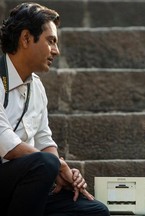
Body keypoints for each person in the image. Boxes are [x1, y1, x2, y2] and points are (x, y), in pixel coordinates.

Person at [0, 2, 109, 216]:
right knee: (46, 164)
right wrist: (57, 166)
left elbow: (44, 140)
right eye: (51, 41)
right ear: (26, 38)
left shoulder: (37, 86)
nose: (56, 51)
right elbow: (5, 142)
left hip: (26, 187)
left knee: (96, 211)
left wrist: (62, 170)